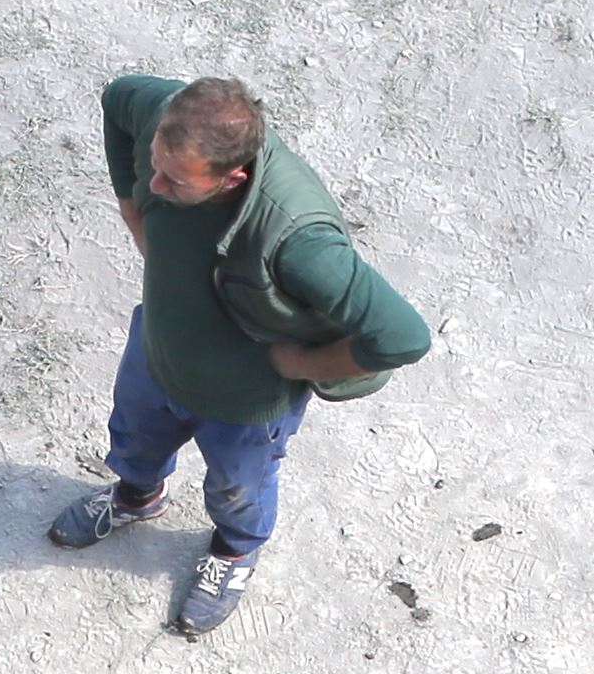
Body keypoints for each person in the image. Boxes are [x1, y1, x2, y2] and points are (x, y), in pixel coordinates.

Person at [51, 71, 434, 637]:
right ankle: (137, 496)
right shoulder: (165, 117)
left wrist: (302, 367)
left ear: (233, 178)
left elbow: (403, 336)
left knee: (238, 488)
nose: (156, 186)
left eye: (175, 181)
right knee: (135, 439)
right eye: (154, 165)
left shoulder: (298, 240)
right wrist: (131, 207)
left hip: (243, 400)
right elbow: (117, 98)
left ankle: (233, 552)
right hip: (158, 348)